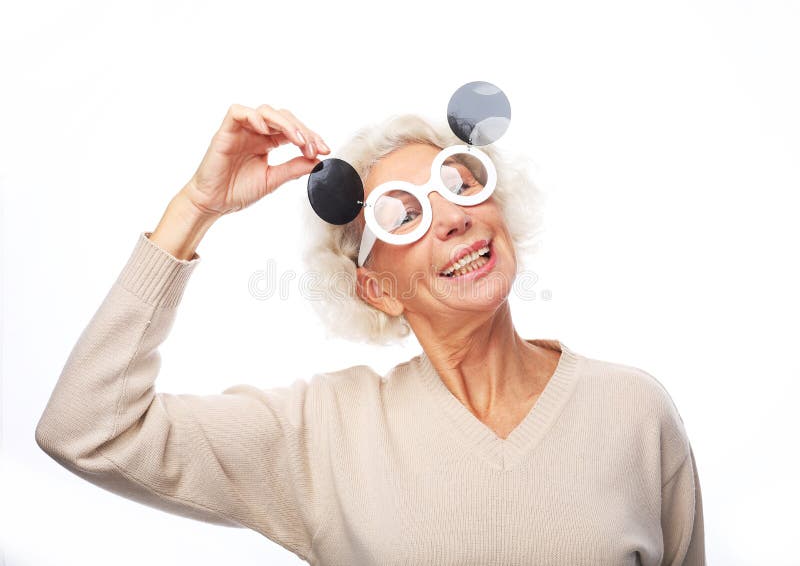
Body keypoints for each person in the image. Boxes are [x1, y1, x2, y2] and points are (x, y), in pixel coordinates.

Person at [35, 101, 706, 565]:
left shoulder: (633, 411)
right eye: (404, 215)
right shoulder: (322, 435)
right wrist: (196, 208)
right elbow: (88, 429)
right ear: (377, 289)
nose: (452, 219)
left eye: (462, 185)